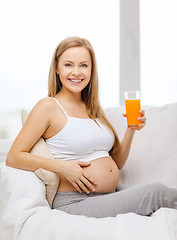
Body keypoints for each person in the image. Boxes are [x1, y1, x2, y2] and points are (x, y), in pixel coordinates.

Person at [6, 36, 177, 218]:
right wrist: (62, 167)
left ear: (91, 70)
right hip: (75, 201)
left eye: (84, 65)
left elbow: (116, 163)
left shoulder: (93, 109)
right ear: (57, 68)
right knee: (155, 192)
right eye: (69, 65)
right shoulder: (48, 106)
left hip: (107, 196)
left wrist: (131, 130)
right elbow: (14, 157)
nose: (77, 72)